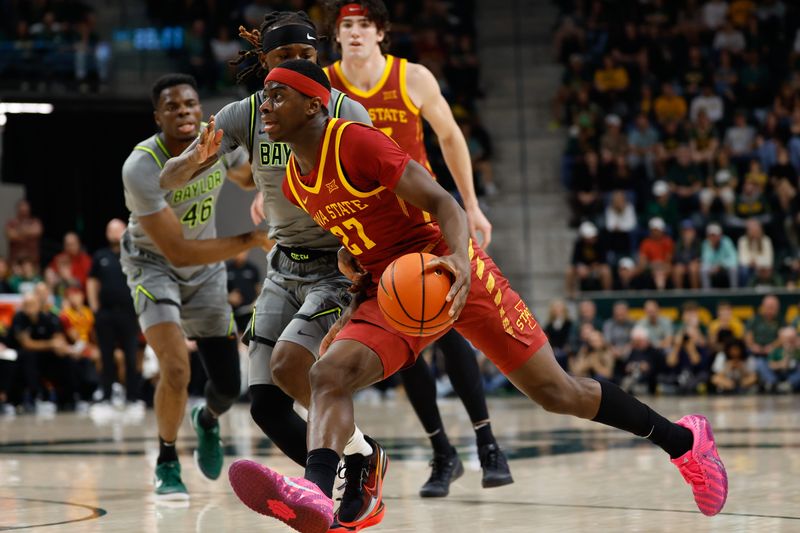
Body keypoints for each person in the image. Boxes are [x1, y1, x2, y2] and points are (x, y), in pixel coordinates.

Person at [225, 60, 728, 532]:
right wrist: (353, 281)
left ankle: (684, 441)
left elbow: (443, 203)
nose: (263, 106)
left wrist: (463, 261)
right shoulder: (294, 180)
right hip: (395, 287)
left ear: (314, 104)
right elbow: (362, 240)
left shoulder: (357, 143)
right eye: (263, 97)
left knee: (557, 393)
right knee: (326, 373)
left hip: (448, 267)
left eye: (276, 95)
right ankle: (319, 492)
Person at [159, 11, 389, 529]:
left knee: (293, 365)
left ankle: (326, 486)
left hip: (338, 268)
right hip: (282, 269)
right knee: (264, 405)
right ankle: (361, 458)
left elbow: (381, 193)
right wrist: (195, 161)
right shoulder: (246, 114)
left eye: (307, 58)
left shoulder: (347, 110)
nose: (298, 68)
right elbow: (171, 178)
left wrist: (374, 259)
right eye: (285, 59)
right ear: (265, 63)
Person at [323, 0, 511, 497]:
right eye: (348, 25)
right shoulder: (325, 85)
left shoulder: (413, 78)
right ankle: (442, 453)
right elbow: (298, 145)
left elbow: (449, 136)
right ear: (336, 34)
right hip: (370, 233)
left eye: (365, 24)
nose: (357, 33)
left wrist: (470, 205)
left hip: (424, 221)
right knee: (407, 344)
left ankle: (487, 442)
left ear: (381, 32)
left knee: (448, 329)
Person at [121, 72, 271, 501]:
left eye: (189, 104)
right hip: (154, 265)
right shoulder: (141, 167)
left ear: (200, 109)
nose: (184, 112)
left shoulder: (217, 143)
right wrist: (251, 240)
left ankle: (207, 419)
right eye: (172, 106)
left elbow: (246, 177)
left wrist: (274, 180)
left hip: (205, 270)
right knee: (176, 367)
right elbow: (179, 252)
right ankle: (167, 460)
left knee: (226, 385)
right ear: (158, 116)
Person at [87, 219, 141, 405]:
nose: (113, 233)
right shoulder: (100, 256)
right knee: (106, 355)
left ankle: (132, 395)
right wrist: (95, 308)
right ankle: (107, 393)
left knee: (131, 355)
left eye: (117, 229)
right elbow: (92, 282)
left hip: (128, 313)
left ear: (125, 231)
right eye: (110, 230)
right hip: (106, 314)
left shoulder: (133, 254)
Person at [4, 199, 43, 266]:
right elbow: (11, 235)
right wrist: (28, 232)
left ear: (29, 210)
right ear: (18, 210)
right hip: (15, 259)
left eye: (25, 210)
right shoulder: (11, 223)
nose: (24, 212)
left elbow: (37, 231)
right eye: (22, 210)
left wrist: (19, 232)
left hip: (32, 259)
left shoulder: (35, 222)